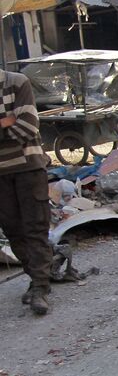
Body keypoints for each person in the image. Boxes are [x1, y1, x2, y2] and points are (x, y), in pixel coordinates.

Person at [0, 68, 53, 315]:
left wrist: (14, 123)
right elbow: (14, 127)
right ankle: (36, 278)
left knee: (35, 228)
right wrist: (6, 121)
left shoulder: (16, 82)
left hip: (28, 168)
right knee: (13, 231)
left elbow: (27, 128)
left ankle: (41, 288)